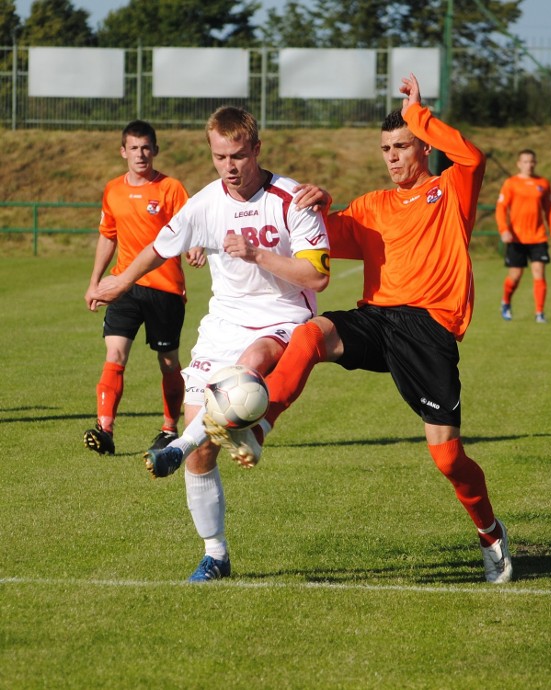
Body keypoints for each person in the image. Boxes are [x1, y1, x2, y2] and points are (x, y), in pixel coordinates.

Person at [207, 73, 513, 584]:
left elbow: (472, 158)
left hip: (429, 328)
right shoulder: (373, 206)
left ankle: (490, 532)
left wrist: (419, 114)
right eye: (385, 148)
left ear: (424, 148)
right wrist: (313, 207)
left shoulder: (450, 192)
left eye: (402, 146)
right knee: (310, 334)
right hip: (376, 317)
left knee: (447, 457)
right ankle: (259, 427)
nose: (392, 157)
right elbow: (317, 239)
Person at [87, 106, 330, 582]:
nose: (229, 166)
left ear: (256, 149)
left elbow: (318, 276)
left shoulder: (291, 199)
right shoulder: (203, 203)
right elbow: (160, 246)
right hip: (223, 324)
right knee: (205, 453)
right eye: (220, 156)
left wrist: (258, 253)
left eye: (238, 155)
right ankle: (215, 555)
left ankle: (177, 446)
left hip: (280, 319)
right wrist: (119, 282)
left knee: (248, 367)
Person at [83, 120, 204, 457]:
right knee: (115, 355)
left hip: (164, 289)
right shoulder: (113, 190)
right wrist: (95, 283)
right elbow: (108, 235)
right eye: (134, 148)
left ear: (155, 150)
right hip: (124, 287)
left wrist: (194, 247)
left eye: (146, 147)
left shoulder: (171, 188)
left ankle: (168, 429)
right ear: (123, 152)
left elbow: (192, 226)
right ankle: (105, 429)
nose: (140, 154)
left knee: (168, 363)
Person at [495, 148, 551, 323]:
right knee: (515, 276)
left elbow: (550, 210)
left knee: (539, 273)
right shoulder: (511, 183)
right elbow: (501, 208)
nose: (529, 165)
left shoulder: (543, 183)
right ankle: (506, 301)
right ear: (519, 164)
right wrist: (504, 230)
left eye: (532, 161)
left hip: (538, 237)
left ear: (535, 163)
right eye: (525, 161)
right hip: (516, 238)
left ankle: (539, 313)